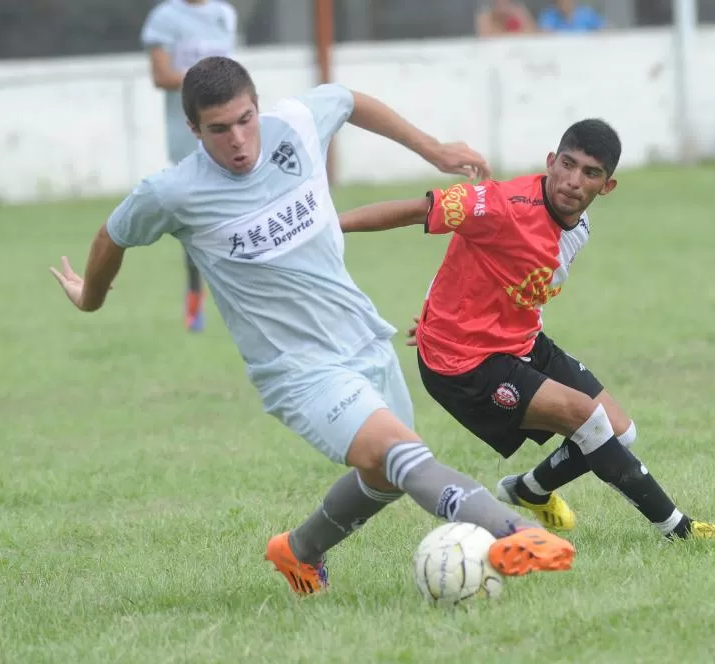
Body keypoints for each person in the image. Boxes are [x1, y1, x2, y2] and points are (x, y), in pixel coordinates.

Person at [48, 56, 579, 596]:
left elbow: (347, 100)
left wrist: (434, 150)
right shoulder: (172, 193)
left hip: (363, 338)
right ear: (193, 129)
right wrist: (90, 298)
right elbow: (110, 235)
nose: (238, 139)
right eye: (219, 128)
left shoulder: (297, 124)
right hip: (297, 370)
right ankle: (514, 531)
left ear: (257, 106)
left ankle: (298, 551)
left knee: (386, 476)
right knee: (401, 456)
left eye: (245, 118)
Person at [338, 119, 715, 542]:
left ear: (606, 187)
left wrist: (440, 311)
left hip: (520, 340)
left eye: (590, 173)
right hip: (465, 362)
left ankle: (529, 490)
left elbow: (490, 269)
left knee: (619, 430)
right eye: (568, 165)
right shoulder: (499, 205)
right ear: (551, 162)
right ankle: (681, 531)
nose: (573, 182)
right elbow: (414, 211)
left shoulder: (579, 226)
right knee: (587, 420)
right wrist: (327, 228)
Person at [141, 0, 239, 332]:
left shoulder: (224, 15)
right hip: (189, 137)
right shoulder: (164, 18)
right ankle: (195, 297)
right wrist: (206, 81)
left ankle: (242, 296)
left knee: (238, 211)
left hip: (228, 134)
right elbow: (161, 75)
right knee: (197, 220)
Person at [537, 0, 605, 33]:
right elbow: (543, 35)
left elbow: (603, 30)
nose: (565, 3)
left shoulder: (587, 14)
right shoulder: (550, 16)